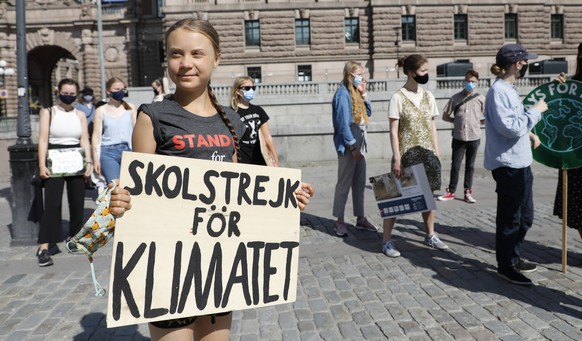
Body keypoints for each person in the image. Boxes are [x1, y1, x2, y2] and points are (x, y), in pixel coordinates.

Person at [105, 18, 314, 341]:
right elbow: (138, 191)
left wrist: (284, 201)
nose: (185, 63)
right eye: (176, 54)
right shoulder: (152, 116)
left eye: (197, 54)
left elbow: (238, 191)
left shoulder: (231, 120)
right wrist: (121, 201)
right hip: (166, 264)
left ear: (217, 58)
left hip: (218, 262)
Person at [484, 43, 548, 286]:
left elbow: (515, 124)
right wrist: (536, 111)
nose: (527, 65)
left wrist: (530, 134)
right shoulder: (499, 91)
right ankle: (505, 264)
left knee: (525, 216)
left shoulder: (509, 88)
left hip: (520, 161)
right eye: (525, 61)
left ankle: (514, 254)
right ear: (518, 64)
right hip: (508, 164)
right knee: (510, 217)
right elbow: (509, 127)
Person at [382, 54, 449, 258]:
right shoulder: (398, 97)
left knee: (428, 197)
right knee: (394, 199)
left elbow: (432, 125)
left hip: (427, 153)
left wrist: (437, 152)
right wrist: (397, 157)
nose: (426, 74)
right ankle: (386, 241)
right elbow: (394, 130)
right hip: (406, 153)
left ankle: (430, 234)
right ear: (411, 73)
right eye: (423, 71)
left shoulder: (428, 96)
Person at [36, 78, 93, 267]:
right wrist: (42, 165)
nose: (68, 96)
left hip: (76, 157)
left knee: (77, 202)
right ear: (58, 92)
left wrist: (89, 162)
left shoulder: (80, 114)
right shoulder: (48, 112)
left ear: (76, 94)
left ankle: (74, 238)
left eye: (71, 93)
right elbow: (43, 139)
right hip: (55, 158)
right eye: (65, 93)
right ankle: (44, 247)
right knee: (51, 205)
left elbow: (85, 139)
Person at [331, 61, 379, 237]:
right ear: (351, 75)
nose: (362, 77)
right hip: (349, 146)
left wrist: (364, 93)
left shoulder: (356, 92)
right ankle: (339, 221)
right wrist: (352, 148)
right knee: (343, 184)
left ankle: (360, 218)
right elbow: (343, 125)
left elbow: (369, 112)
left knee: (359, 184)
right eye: (359, 74)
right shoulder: (342, 94)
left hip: (360, 144)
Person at [438, 70, 485, 203]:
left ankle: (467, 192)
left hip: (474, 137)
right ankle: (451, 191)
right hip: (458, 137)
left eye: (473, 82)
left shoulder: (480, 98)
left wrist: (478, 123)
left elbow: (489, 117)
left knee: (470, 166)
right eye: (468, 81)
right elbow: (445, 116)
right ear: (463, 82)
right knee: (455, 165)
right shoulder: (455, 98)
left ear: (477, 83)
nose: (470, 84)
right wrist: (457, 122)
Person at [553, 43, 582, 239]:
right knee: (579, 209)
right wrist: (558, 91)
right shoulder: (573, 85)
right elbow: (558, 117)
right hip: (575, 156)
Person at [91, 77, 137, 184]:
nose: (120, 92)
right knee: (114, 187)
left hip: (129, 150)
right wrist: (96, 159)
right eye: (117, 89)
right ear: (108, 91)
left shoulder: (131, 108)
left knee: (130, 187)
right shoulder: (100, 110)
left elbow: (136, 131)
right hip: (108, 152)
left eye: (122, 89)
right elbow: (96, 136)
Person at [230, 76, 280, 166]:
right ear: (238, 91)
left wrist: (276, 160)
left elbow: (267, 137)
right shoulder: (231, 113)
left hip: (260, 159)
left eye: (253, 88)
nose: (251, 90)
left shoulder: (258, 110)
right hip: (242, 161)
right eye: (248, 88)